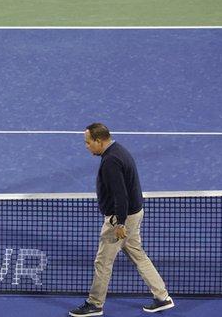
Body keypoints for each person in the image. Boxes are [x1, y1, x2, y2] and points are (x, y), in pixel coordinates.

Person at [70, 123, 174, 316]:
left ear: (99, 141)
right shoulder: (118, 150)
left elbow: (120, 195)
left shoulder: (111, 161)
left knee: (103, 261)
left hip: (121, 218)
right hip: (134, 213)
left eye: (88, 142)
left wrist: (120, 223)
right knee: (137, 255)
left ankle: (95, 304)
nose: (86, 146)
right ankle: (162, 297)